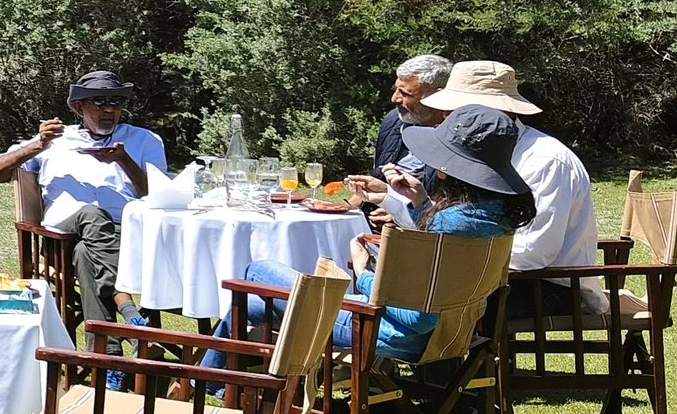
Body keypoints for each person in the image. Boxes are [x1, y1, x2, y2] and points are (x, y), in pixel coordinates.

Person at [228, 104, 534, 367]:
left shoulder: (452, 222)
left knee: (257, 271)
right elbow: (439, 282)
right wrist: (419, 202)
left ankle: (216, 383)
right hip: (453, 335)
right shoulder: (494, 215)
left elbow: (418, 317)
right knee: (253, 305)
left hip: (387, 332)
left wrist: (362, 273)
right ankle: (217, 382)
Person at [0, 70, 167, 326]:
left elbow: (157, 196)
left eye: (116, 102)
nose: (109, 109)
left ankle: (106, 355)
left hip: (126, 238)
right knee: (90, 214)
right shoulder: (54, 140)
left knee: (85, 255)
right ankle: (127, 307)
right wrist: (38, 145)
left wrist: (124, 161)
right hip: (61, 240)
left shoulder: (144, 140)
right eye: (100, 101)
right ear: (79, 107)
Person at [419, 61, 598, 316]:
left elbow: (533, 254)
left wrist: (459, 258)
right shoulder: (484, 153)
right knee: (417, 292)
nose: (446, 118)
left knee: (435, 303)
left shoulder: (544, 160)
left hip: (545, 287)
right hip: (497, 278)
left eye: (455, 110)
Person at [376, 53, 452, 172]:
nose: (394, 99)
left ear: (437, 96)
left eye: (405, 93)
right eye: (396, 89)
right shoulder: (394, 120)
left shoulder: (457, 137)